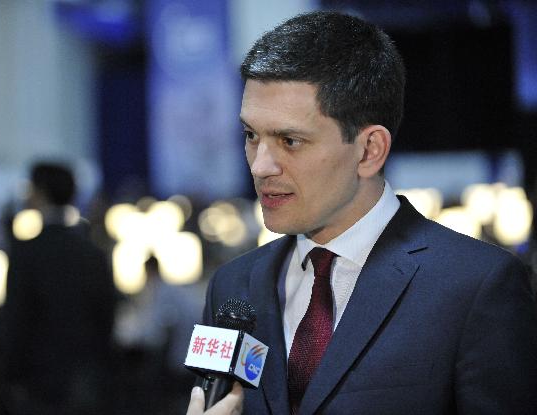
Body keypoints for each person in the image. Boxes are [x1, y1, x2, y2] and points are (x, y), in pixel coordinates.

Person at [194, 10, 537, 415]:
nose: (259, 165)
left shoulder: (475, 287)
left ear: (370, 150)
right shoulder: (233, 288)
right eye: (251, 135)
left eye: (289, 140)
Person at [0, 162, 116, 414]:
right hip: (87, 380)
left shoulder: (26, 254)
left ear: (40, 193)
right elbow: (107, 316)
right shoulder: (93, 253)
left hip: (39, 384)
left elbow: (15, 322)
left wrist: (9, 376)